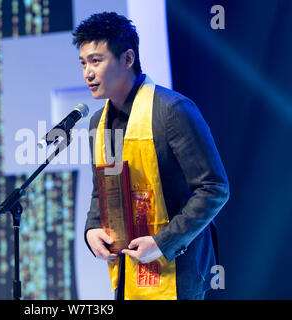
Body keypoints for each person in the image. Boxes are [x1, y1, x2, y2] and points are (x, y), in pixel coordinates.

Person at [73, 12, 229, 300]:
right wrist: (91, 230)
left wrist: (162, 243)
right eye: (83, 63)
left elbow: (213, 189)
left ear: (128, 58)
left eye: (96, 60)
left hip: (178, 269)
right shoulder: (99, 121)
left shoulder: (173, 110)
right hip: (128, 269)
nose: (88, 73)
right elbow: (103, 190)